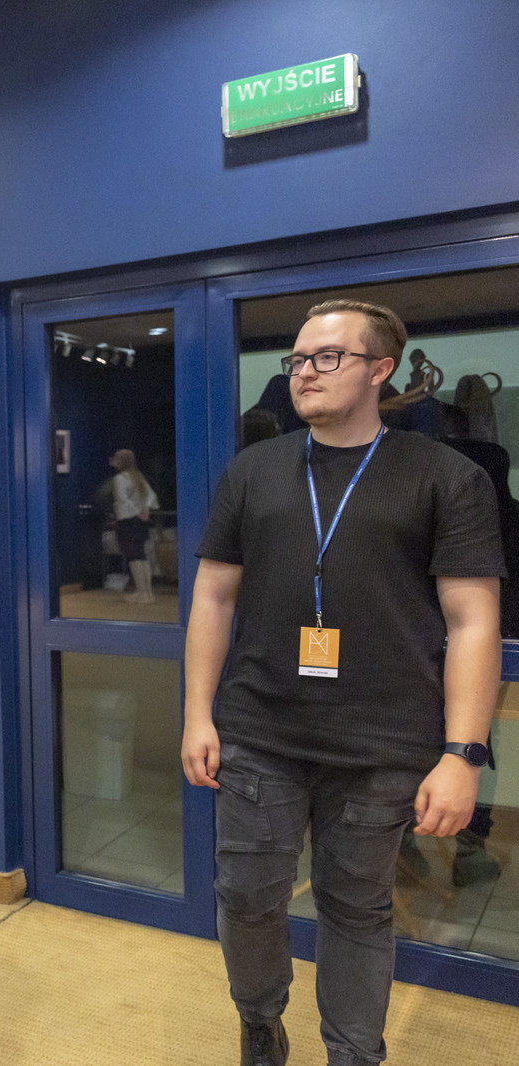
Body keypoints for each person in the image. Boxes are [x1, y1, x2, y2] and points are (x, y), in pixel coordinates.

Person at [181, 299, 504, 1066]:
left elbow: (473, 621)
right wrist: (197, 713)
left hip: (384, 742)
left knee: (357, 909)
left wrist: (463, 752)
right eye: (297, 359)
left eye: (327, 357)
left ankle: (354, 1054)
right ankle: (260, 1022)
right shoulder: (254, 470)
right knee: (245, 897)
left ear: (380, 369)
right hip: (260, 731)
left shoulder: (446, 476)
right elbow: (213, 597)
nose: (304, 372)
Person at [109, 447, 160, 603]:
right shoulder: (138, 477)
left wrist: (136, 512)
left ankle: (141, 592)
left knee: (133, 557)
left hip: (127, 521)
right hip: (141, 522)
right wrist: (145, 510)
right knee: (142, 555)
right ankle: (148, 593)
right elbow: (151, 496)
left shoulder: (120, 479)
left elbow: (123, 499)